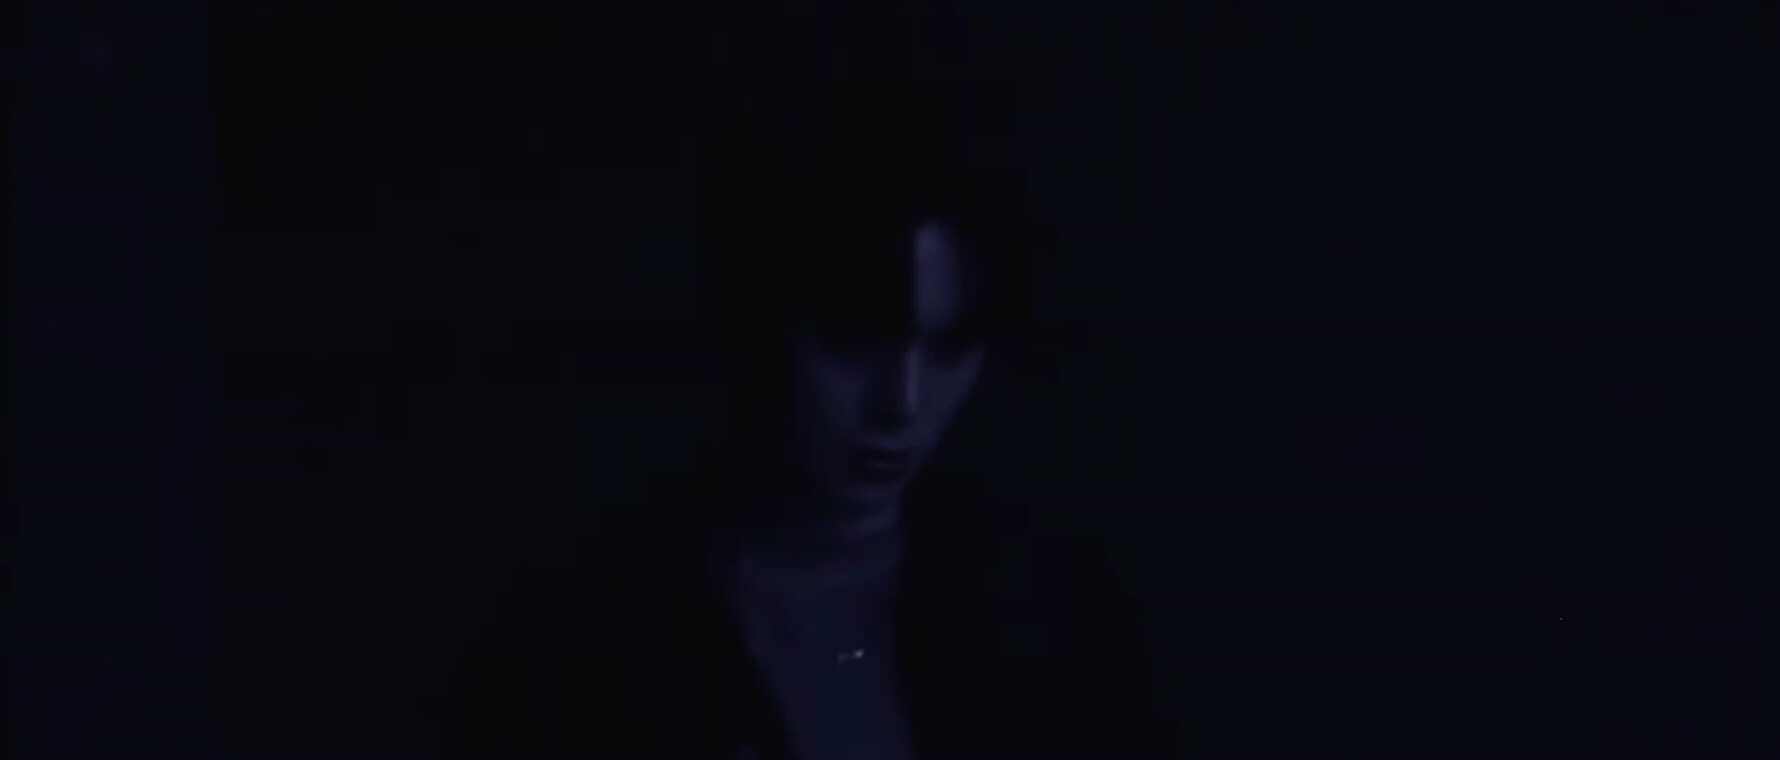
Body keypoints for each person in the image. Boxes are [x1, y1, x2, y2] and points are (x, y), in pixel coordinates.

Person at [445, 73, 1175, 760]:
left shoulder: (1051, 613)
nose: (901, 402)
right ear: (758, 321)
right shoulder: (581, 642)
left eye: (950, 347)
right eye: (856, 340)